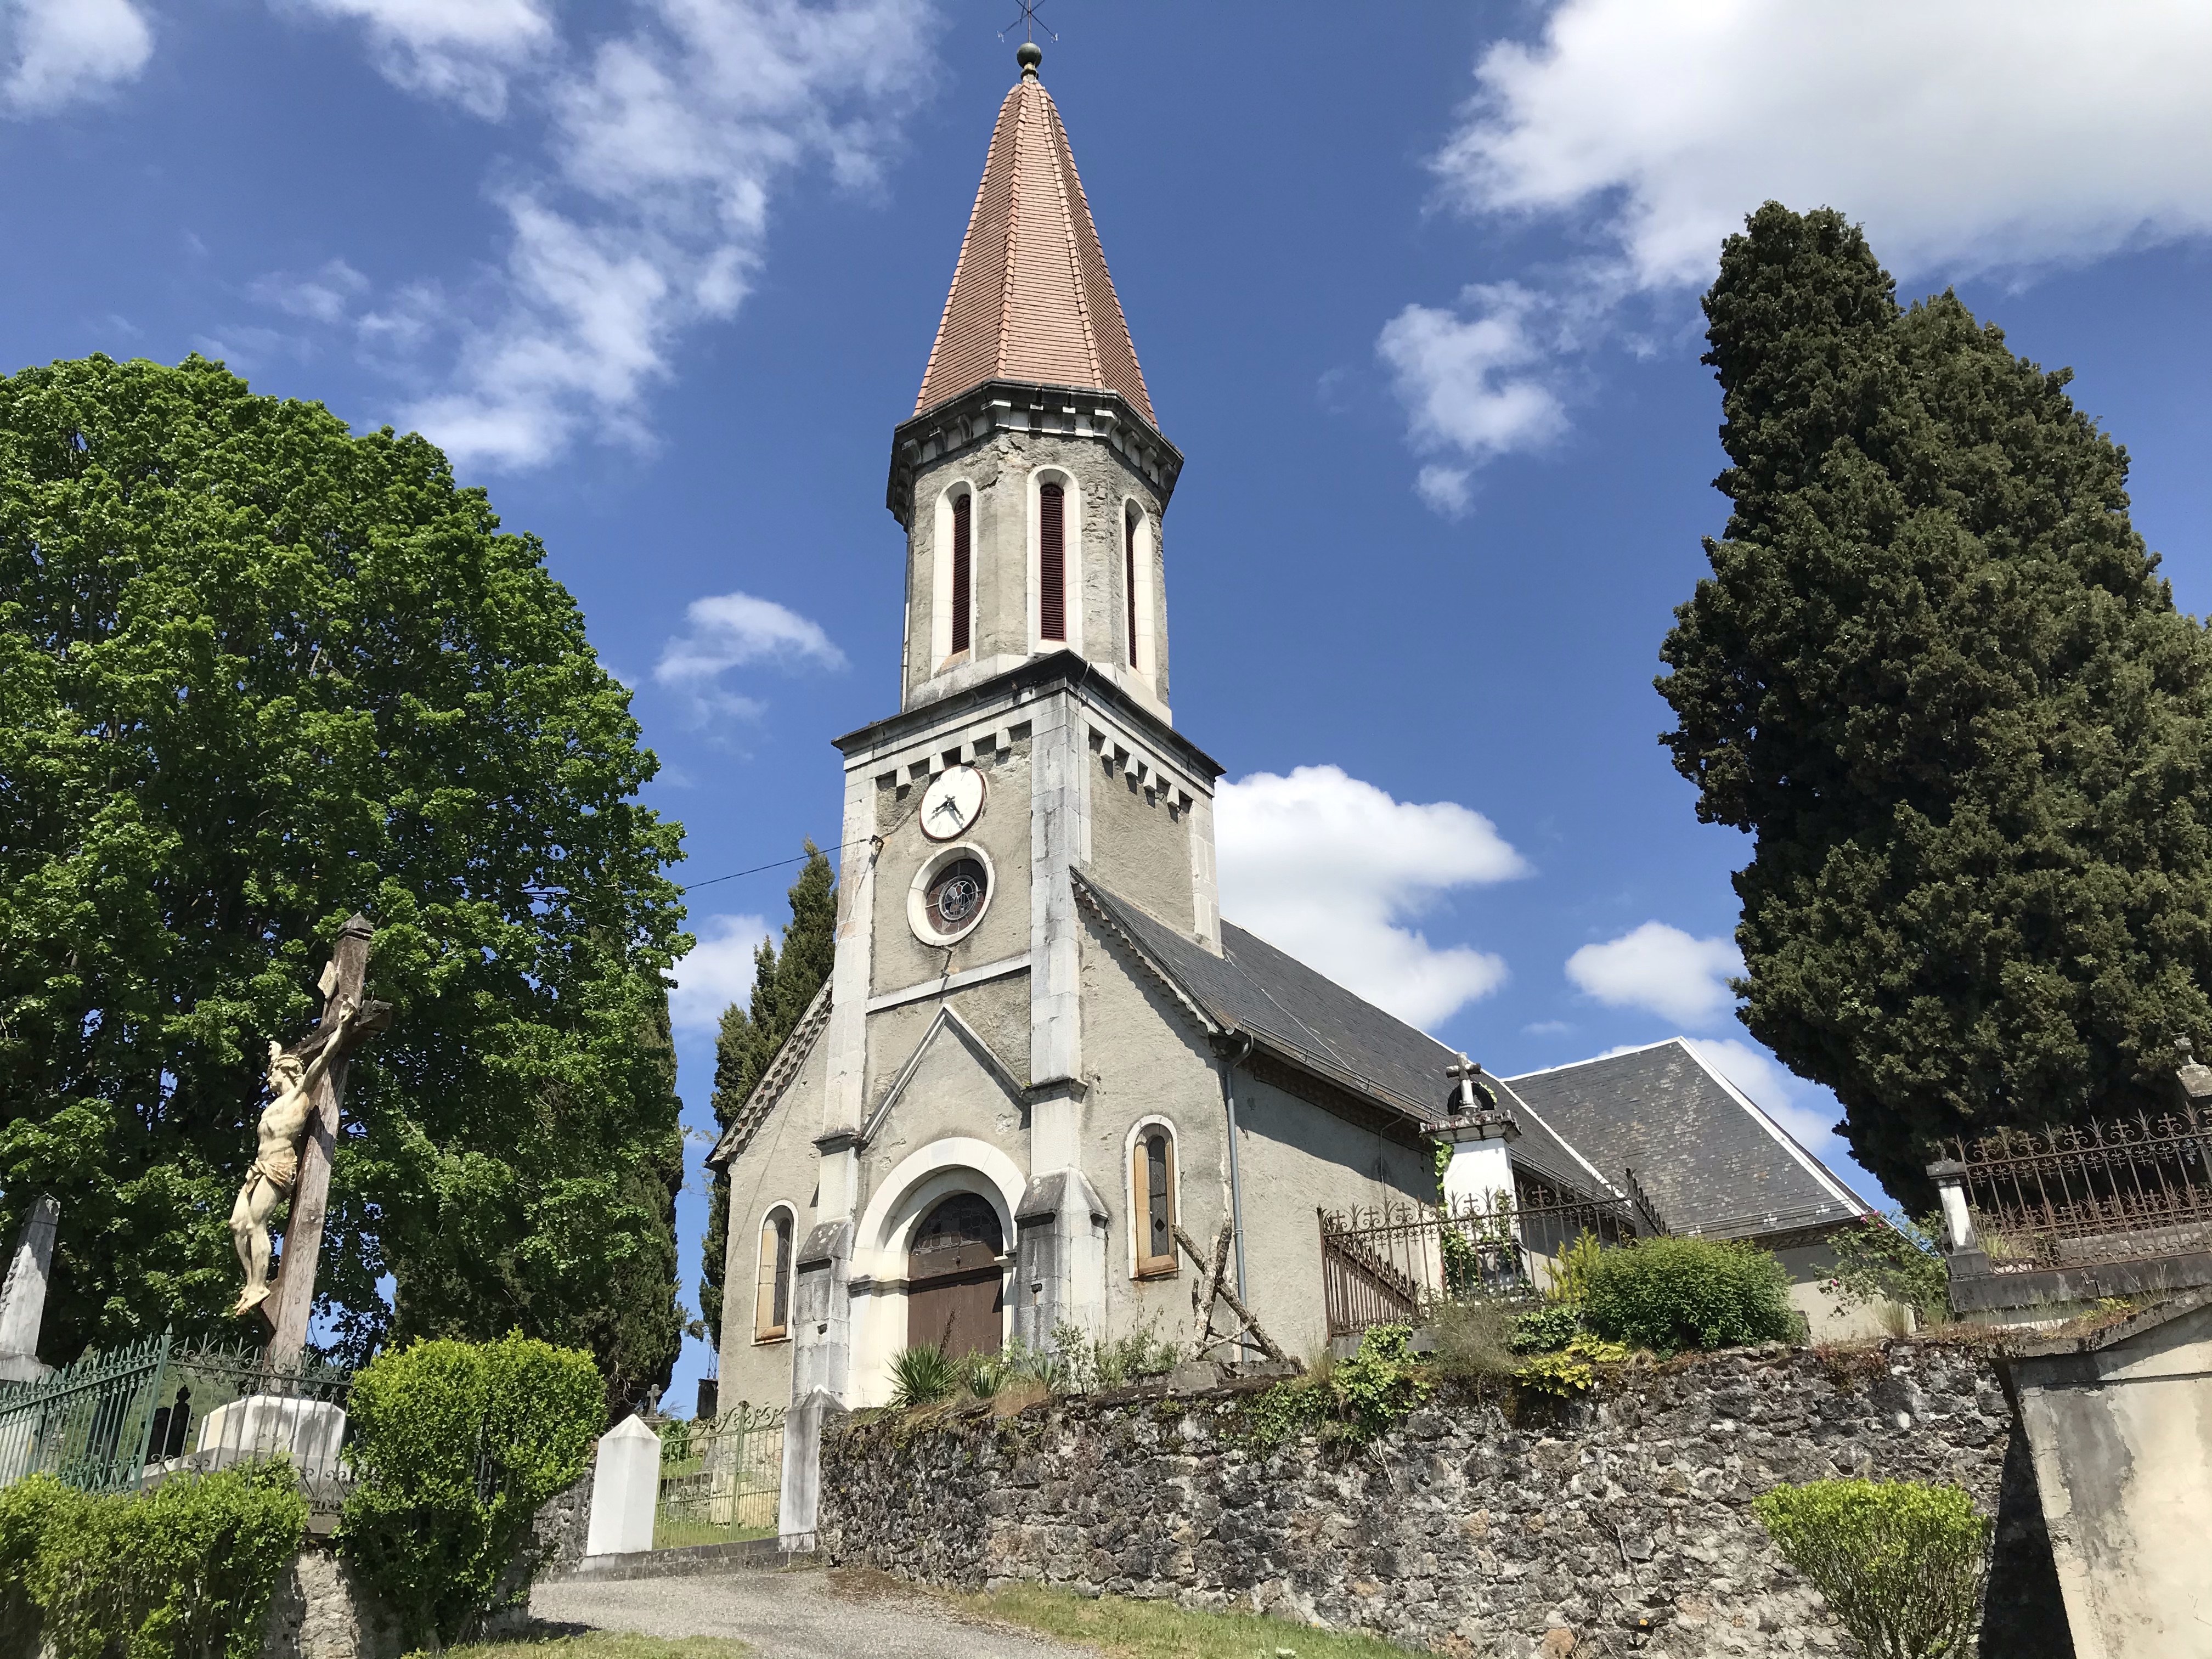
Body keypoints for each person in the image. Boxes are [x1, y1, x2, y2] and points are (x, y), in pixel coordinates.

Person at [229, 1000, 359, 1317]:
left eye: (272, 1073)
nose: (268, 1079)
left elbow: (325, 1056)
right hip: (258, 1168)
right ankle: (250, 1283)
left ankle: (259, 1285)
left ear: (285, 1072)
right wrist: (276, 1055)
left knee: (256, 1223)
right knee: (236, 1224)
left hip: (279, 1167)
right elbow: (282, 1068)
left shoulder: (301, 1092)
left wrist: (343, 1026)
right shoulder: (272, 1105)